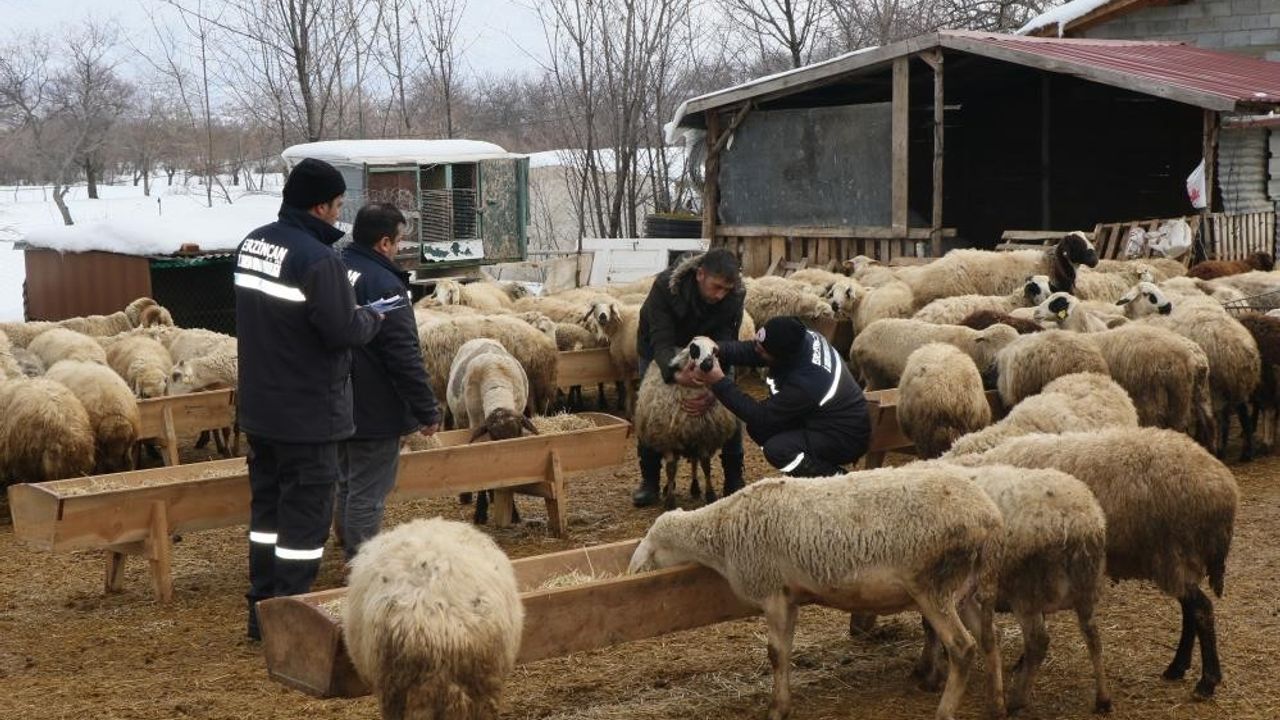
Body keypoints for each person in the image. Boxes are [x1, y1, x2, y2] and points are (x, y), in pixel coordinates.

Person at [235, 157, 382, 641]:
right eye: (338, 205)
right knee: (304, 521)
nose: (340, 216)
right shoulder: (319, 260)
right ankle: (292, 621)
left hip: (262, 407)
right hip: (308, 413)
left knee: (268, 515)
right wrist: (371, 317)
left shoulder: (252, 244)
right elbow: (341, 330)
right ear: (320, 206)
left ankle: (262, 610)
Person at [336, 203, 440, 561]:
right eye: (398, 241)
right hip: (374, 406)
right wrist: (426, 409)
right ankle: (362, 565)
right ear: (383, 243)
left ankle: (349, 549)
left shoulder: (338, 268)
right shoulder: (383, 283)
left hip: (339, 399)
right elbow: (402, 353)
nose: (398, 248)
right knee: (368, 492)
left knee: (347, 483)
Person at [632, 248, 746, 507]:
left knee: (730, 408)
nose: (720, 295)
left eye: (726, 290)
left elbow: (726, 342)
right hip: (658, 344)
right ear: (700, 274)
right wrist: (673, 373)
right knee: (650, 409)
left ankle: (734, 477)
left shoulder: (734, 295)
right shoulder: (665, 286)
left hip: (710, 345)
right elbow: (661, 338)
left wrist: (716, 389)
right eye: (716, 287)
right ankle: (649, 480)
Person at [692, 315, 870, 477]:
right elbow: (755, 350)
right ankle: (803, 470)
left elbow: (762, 416)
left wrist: (718, 381)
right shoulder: (799, 338)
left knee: (778, 450)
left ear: (782, 357)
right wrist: (718, 348)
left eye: (763, 351)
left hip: (845, 436)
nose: (757, 350)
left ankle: (833, 479)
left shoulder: (807, 383)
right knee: (759, 429)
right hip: (822, 418)